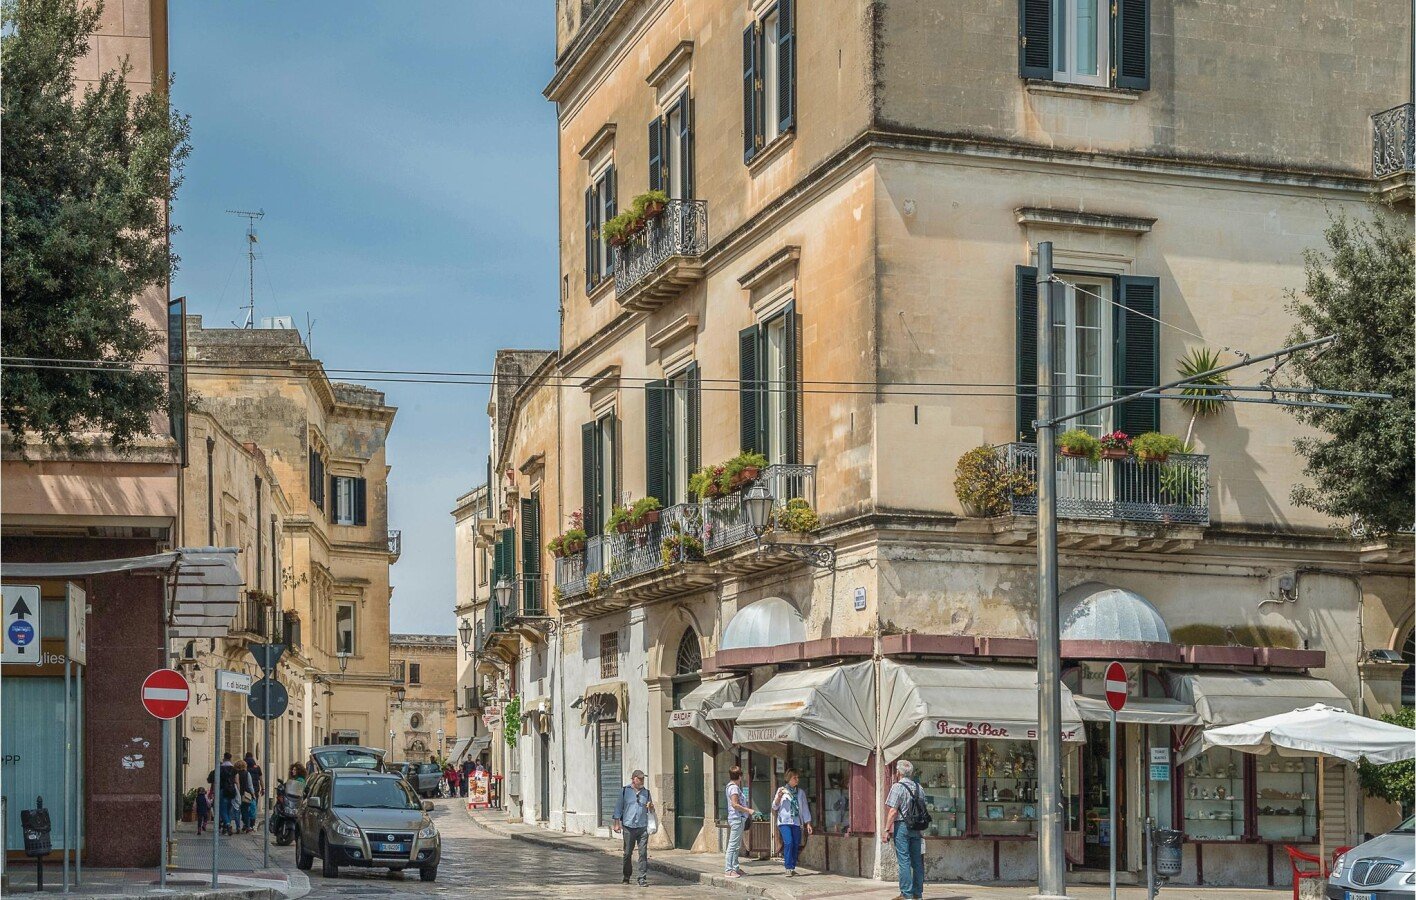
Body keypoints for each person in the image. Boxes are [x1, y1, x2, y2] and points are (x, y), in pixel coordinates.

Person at [882, 759, 926, 900]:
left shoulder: (897, 787)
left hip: (902, 826)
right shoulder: (919, 788)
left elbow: (893, 811)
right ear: (910, 773)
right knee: (917, 862)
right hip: (917, 828)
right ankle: (917, 894)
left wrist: (886, 830)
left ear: (898, 773)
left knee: (904, 861)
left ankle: (906, 894)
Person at [611, 769, 655, 887]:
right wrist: (616, 823)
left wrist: (651, 807)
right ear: (634, 779)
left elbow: (651, 809)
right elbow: (618, 808)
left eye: (643, 778)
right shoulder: (625, 791)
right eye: (639, 778)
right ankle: (626, 876)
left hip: (642, 826)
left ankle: (642, 878)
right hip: (628, 826)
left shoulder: (646, 793)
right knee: (627, 853)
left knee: (643, 853)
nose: (642, 780)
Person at [772, 769, 813, 877]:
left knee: (795, 844)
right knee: (789, 842)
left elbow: (805, 808)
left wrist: (808, 823)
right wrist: (779, 796)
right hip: (784, 822)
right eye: (795, 778)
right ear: (789, 779)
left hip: (796, 821)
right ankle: (788, 867)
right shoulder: (782, 790)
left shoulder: (800, 792)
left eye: (797, 777)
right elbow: (774, 806)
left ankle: (792, 866)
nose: (797, 780)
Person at [723, 765, 754, 878]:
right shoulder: (734, 788)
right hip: (737, 818)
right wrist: (748, 810)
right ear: (740, 776)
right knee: (733, 845)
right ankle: (729, 869)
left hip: (737, 818)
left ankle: (735, 867)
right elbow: (735, 804)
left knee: (736, 845)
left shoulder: (730, 787)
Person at [233, 758, 256, 833]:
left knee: (237, 811)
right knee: (245, 811)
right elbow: (250, 785)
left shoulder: (234, 773)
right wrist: (253, 794)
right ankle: (247, 826)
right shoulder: (247, 773)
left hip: (236, 794)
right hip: (245, 795)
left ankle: (238, 827)